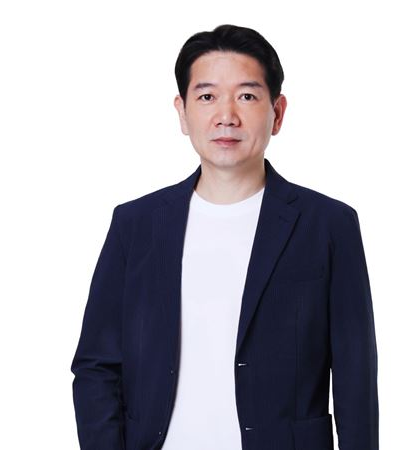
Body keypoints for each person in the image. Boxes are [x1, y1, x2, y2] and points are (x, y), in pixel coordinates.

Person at [70, 24, 378, 450]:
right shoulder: (136, 225)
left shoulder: (328, 224)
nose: (226, 115)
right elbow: (97, 366)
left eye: (247, 96)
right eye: (207, 97)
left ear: (278, 112)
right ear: (182, 112)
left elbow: (355, 376)